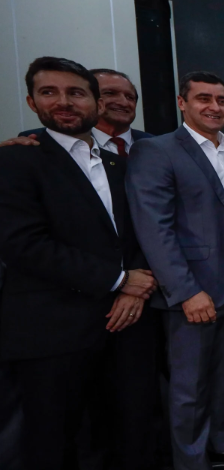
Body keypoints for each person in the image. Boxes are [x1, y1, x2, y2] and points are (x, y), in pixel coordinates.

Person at [0, 56, 157, 469]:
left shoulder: (119, 163)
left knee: (132, 429)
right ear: (32, 102)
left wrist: (136, 287)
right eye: (49, 92)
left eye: (76, 93)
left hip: (127, 324)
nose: (64, 102)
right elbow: (23, 245)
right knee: (54, 439)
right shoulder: (16, 159)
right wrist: (119, 279)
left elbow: (144, 229)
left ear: (95, 104)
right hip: (54, 330)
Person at [126, 71, 224, 470]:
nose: (214, 107)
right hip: (193, 290)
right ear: (181, 103)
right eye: (204, 98)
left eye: (221, 100)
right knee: (190, 385)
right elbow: (155, 228)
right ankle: (191, 462)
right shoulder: (157, 151)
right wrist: (186, 290)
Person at [5, 68, 154, 150]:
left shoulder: (154, 143)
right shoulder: (37, 142)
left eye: (130, 97)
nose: (123, 102)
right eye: (110, 93)